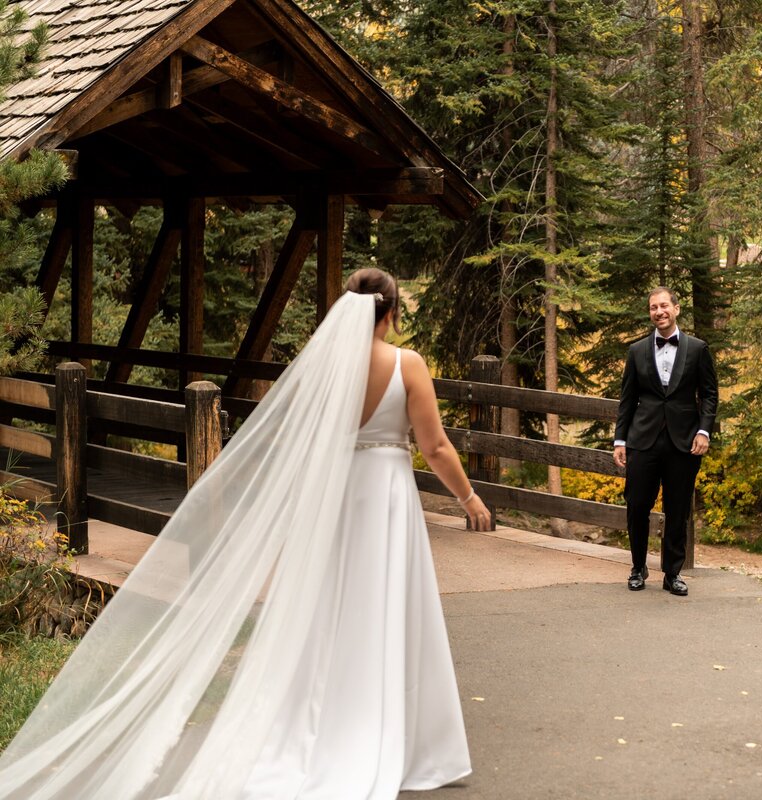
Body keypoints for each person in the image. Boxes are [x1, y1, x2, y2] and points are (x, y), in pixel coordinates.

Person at [0, 268, 490, 798]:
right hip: (387, 498)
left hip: (335, 496)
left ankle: (323, 725)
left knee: (327, 610)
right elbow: (436, 448)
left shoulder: (327, 369)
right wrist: (469, 498)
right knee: (388, 605)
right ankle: (401, 737)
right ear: (391, 314)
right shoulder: (408, 365)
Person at [613, 287, 718, 597]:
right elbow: (627, 399)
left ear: (676, 309)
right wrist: (620, 439)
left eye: (663, 306)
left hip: (684, 442)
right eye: (653, 308)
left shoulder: (698, 349)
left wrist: (704, 431)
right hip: (642, 441)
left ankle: (672, 573)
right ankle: (637, 567)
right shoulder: (636, 351)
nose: (658, 312)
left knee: (677, 509)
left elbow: (710, 394)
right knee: (637, 506)